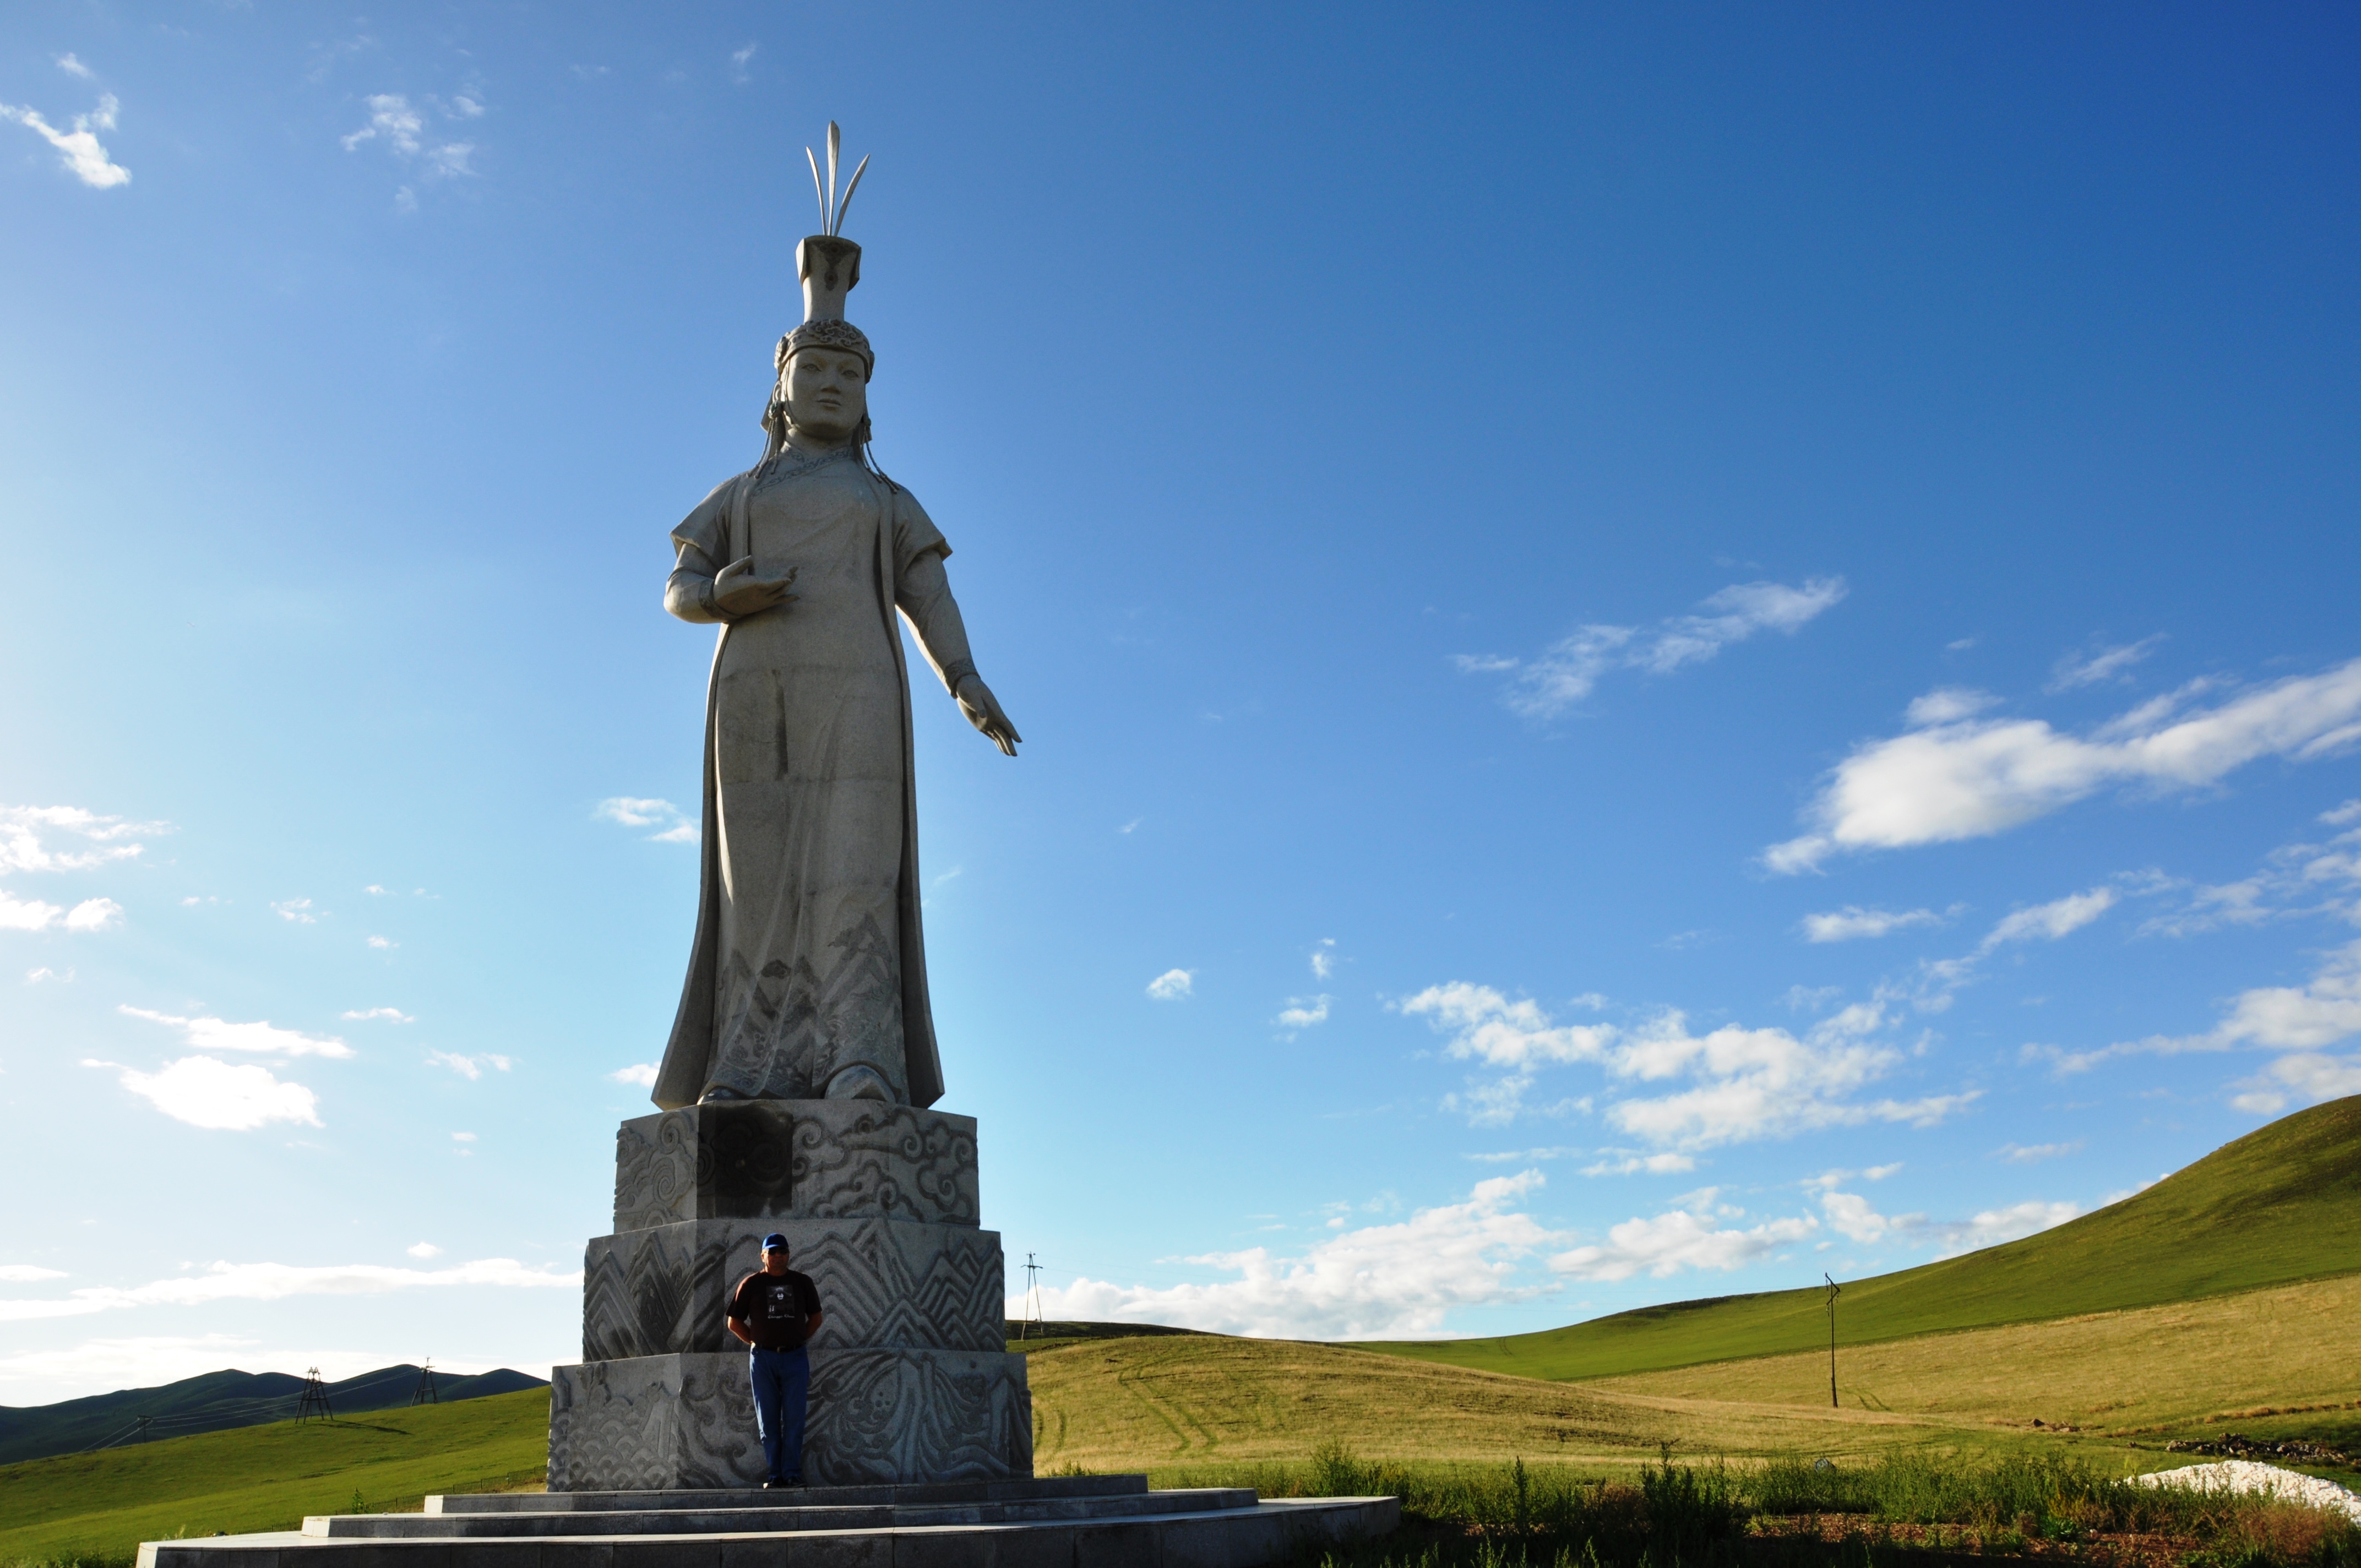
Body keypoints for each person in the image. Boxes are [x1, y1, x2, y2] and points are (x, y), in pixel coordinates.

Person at [646, 239, 1020, 1114]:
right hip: (756, 692)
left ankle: (863, 1059)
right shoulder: (741, 493)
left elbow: (929, 590)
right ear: (777, 389)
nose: (828, 386)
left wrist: (963, 677)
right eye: (810, 369)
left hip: (861, 692)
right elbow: (679, 589)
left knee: (856, 872)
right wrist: (719, 595)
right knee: (758, 879)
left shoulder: (885, 500)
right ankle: (742, 1064)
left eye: (848, 378)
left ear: (866, 403)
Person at [726, 1234, 825, 1487]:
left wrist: (799, 1338)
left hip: (795, 1357)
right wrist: (757, 1341)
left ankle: (792, 1473)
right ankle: (775, 1475)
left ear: (789, 1254)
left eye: (782, 1251)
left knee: (794, 1418)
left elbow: (816, 1318)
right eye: (772, 1252)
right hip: (763, 1359)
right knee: (768, 1420)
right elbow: (734, 1322)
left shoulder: (802, 1282)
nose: (778, 1256)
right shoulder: (751, 1284)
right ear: (763, 1256)